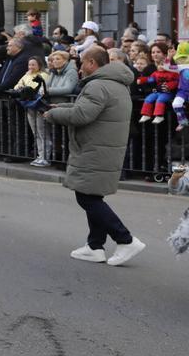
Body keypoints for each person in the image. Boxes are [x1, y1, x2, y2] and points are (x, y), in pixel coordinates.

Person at [44, 46, 145, 266]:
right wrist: (62, 106)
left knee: (86, 196)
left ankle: (125, 239)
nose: (79, 67)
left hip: (95, 147)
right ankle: (95, 246)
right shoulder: (116, 84)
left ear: (91, 63)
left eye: (82, 62)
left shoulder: (98, 85)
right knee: (92, 194)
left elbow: (82, 114)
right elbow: (89, 109)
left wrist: (53, 114)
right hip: (104, 146)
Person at [14, 56, 51, 166]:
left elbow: (34, 88)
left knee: (42, 132)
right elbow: (17, 86)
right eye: (29, 64)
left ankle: (45, 157)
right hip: (29, 106)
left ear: (39, 65)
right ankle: (40, 156)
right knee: (35, 132)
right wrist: (22, 84)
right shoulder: (26, 75)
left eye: (33, 64)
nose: (31, 67)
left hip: (39, 106)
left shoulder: (44, 75)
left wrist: (24, 87)